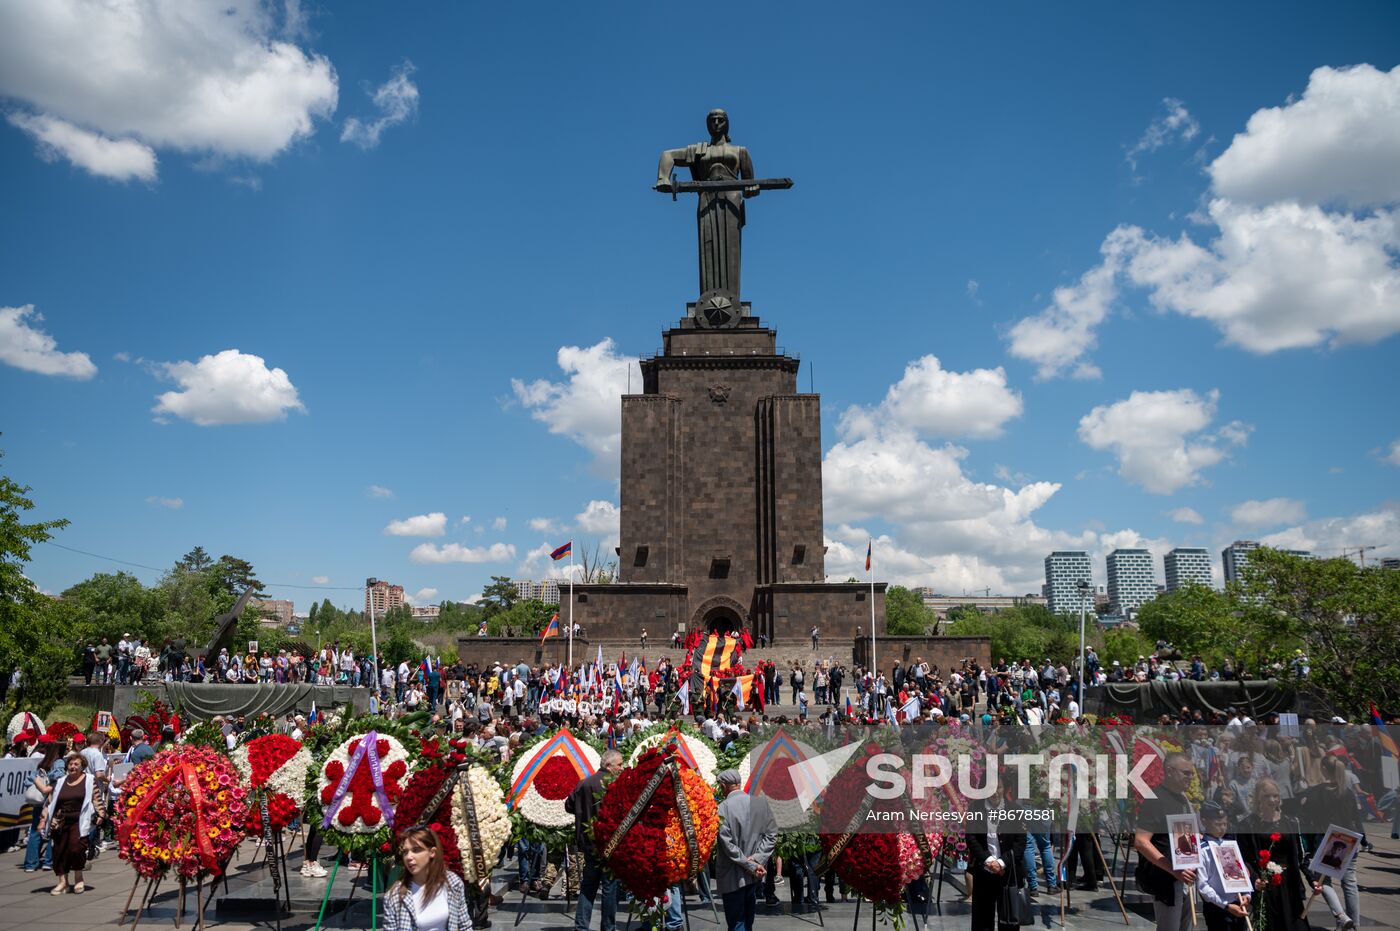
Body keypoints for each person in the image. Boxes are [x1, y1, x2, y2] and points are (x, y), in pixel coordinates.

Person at [1240, 777, 1318, 931]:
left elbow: (1301, 856)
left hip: (1289, 884)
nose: (1272, 800)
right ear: (1258, 799)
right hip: (1266, 885)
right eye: (1266, 796)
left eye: (1275, 795)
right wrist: (1255, 879)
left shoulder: (1291, 822)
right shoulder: (1248, 824)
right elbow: (1244, 859)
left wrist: (1312, 879)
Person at [1134, 752, 1198, 931]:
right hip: (1166, 879)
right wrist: (1173, 870)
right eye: (1186, 773)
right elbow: (1141, 842)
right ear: (1169, 771)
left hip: (1186, 876)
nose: (1190, 777)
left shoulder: (1183, 799)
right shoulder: (1156, 800)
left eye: (1191, 773)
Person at [568, 750, 624, 931]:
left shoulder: (584, 783)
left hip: (589, 844)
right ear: (608, 766)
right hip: (610, 845)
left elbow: (568, 805)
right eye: (619, 764)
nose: (622, 768)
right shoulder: (615, 785)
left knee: (588, 886)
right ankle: (608, 927)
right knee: (609, 889)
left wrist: (583, 811)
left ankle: (581, 926)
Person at [715, 769, 777, 931]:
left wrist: (751, 865)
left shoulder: (722, 809)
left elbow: (728, 846)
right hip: (754, 876)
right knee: (747, 922)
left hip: (732, 877)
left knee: (737, 923)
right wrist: (757, 861)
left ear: (723, 786)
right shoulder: (760, 804)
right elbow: (771, 835)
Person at [384, 824, 471, 931]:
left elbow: (465, 926)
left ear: (432, 852)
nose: (409, 857)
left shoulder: (453, 883)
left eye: (416, 850)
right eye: (405, 852)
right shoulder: (395, 896)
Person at [39, 752, 100, 895]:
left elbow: (96, 798)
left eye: (76, 764)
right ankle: (62, 882)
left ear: (82, 767)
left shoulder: (89, 780)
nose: (73, 767)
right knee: (59, 851)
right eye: (71, 764)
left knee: (76, 848)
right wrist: (44, 817)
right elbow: (51, 801)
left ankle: (78, 877)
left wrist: (101, 815)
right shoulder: (60, 781)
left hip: (79, 820)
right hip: (59, 820)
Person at [965, 794, 1027, 931]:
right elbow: (971, 838)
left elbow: (1020, 842)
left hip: (1009, 872)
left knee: (1009, 919)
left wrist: (1002, 862)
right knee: (982, 919)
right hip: (984, 871)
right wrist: (988, 860)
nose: (995, 793)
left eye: (998, 787)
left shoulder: (1015, 809)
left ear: (1004, 788)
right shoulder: (975, 808)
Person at [1196, 801, 1251, 931]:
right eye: (1217, 824)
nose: (1222, 828)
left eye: (1225, 824)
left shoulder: (1229, 845)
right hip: (1218, 908)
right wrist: (1225, 905)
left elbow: (1241, 873)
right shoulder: (1202, 850)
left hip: (1238, 904)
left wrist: (1246, 894)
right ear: (1204, 822)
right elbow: (1203, 885)